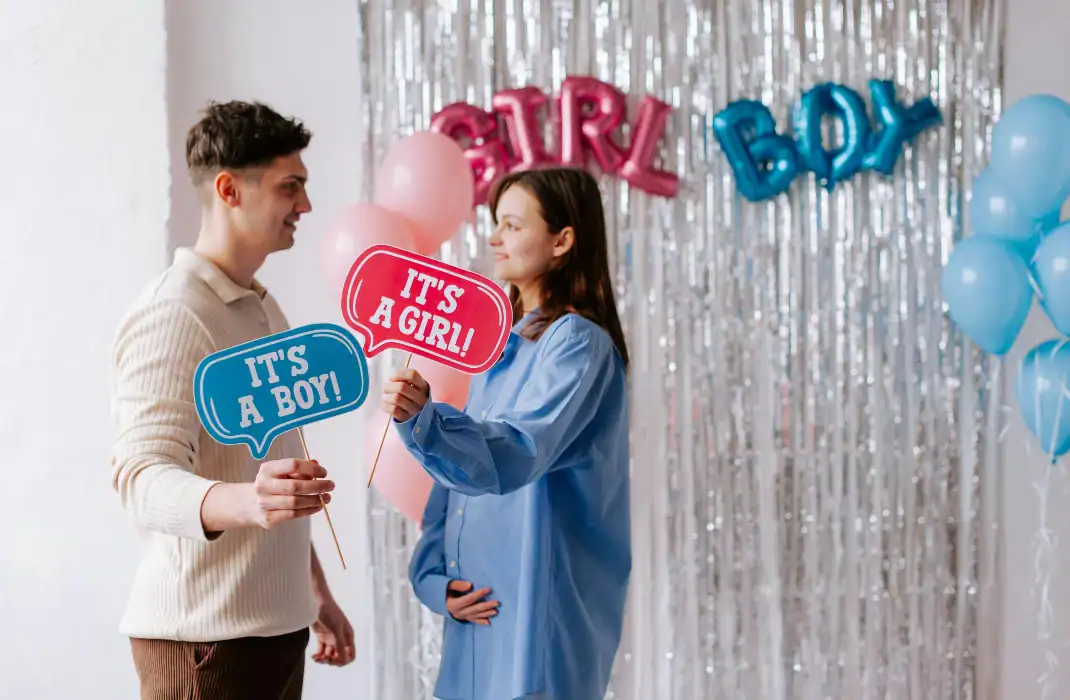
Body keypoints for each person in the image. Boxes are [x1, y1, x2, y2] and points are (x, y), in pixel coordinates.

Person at [110, 100, 354, 700]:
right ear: (229, 190)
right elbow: (140, 479)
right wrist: (250, 501)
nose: (306, 205)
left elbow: (270, 473)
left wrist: (312, 589)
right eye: (289, 186)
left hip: (270, 631)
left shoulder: (264, 309)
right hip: (205, 643)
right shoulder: (174, 312)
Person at [381, 167, 633, 700]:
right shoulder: (500, 348)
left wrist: (425, 419)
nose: (495, 238)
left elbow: (517, 452)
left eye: (513, 225)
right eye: (496, 224)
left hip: (533, 614)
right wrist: (433, 579)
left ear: (562, 240)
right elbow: (454, 488)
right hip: (479, 616)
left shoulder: (577, 345)